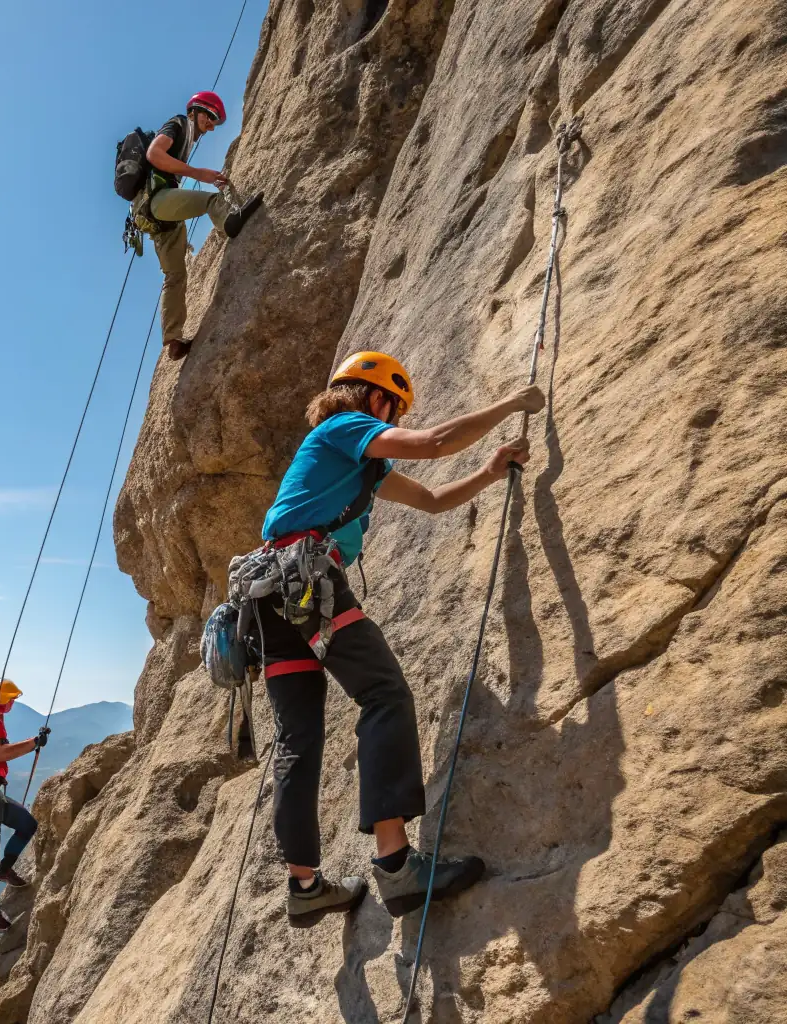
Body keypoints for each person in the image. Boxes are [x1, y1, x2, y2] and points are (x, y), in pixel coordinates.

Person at [250, 351, 546, 918]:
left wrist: (488, 471)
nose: (396, 424)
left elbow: (430, 500)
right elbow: (433, 443)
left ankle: (305, 888)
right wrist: (510, 404)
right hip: (305, 581)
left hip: (270, 602)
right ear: (375, 398)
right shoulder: (342, 428)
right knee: (384, 693)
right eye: (394, 409)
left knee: (297, 739)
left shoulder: (356, 463)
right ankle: (396, 867)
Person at [132, 90, 265, 361]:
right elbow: (154, 154)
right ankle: (229, 222)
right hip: (158, 203)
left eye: (214, 122)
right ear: (197, 111)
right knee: (212, 202)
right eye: (210, 117)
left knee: (175, 275)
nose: (211, 126)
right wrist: (198, 174)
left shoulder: (185, 137)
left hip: (156, 217)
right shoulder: (179, 123)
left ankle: (173, 339)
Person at [0, 678, 49, 932]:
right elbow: (0, 754)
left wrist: (32, 742)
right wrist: (33, 743)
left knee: (27, 824)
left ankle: (5, 870)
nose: (14, 702)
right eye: (12, 698)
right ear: (4, 699)